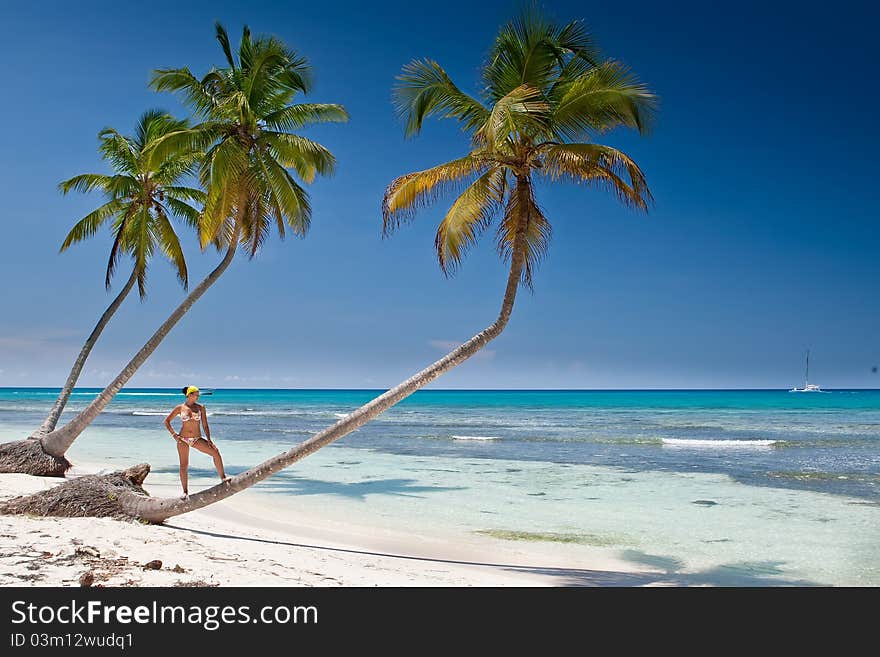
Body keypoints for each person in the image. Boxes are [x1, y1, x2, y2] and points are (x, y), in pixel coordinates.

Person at [163, 385, 231, 498]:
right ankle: (185, 492)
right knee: (183, 465)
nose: (198, 397)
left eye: (198, 395)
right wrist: (174, 435)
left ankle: (223, 477)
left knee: (216, 452)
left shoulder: (201, 407)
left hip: (196, 439)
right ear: (189, 395)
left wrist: (209, 439)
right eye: (196, 395)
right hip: (183, 439)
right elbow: (166, 421)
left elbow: (205, 424)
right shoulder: (180, 408)